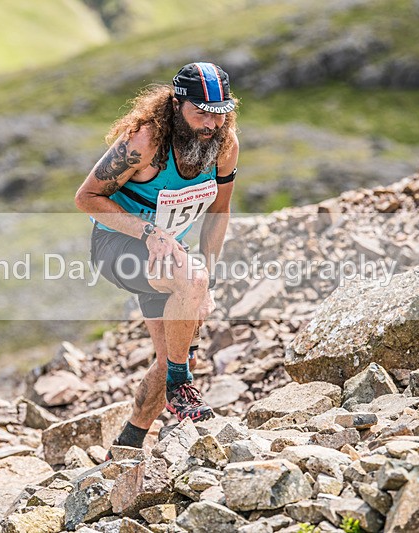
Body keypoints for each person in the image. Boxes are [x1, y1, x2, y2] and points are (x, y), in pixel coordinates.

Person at [75, 62, 239, 454]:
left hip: (171, 257)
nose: (210, 124)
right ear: (177, 103)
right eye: (200, 112)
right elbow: (86, 198)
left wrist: (208, 278)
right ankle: (181, 388)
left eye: (219, 114)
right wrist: (149, 233)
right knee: (190, 285)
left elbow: (218, 212)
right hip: (118, 245)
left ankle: (129, 442)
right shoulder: (144, 142)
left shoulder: (225, 145)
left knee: (174, 356)